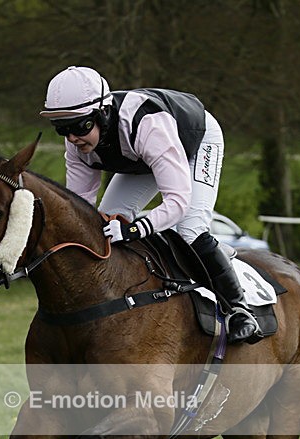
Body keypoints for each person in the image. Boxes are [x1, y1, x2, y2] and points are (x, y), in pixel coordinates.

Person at [40, 66, 260, 344]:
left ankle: (240, 309)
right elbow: (79, 211)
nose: (72, 138)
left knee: (189, 229)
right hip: (141, 155)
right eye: (62, 129)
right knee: (104, 222)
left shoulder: (147, 124)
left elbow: (178, 201)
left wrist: (134, 230)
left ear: (103, 113)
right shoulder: (76, 144)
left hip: (194, 139)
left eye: (80, 127)